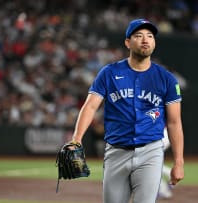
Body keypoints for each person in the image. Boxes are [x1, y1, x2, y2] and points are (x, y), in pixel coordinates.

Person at [69, 18, 185, 203]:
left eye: (150, 36)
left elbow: (174, 122)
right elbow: (90, 106)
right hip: (116, 151)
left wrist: (178, 162)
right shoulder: (109, 73)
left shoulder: (167, 79)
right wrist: (77, 138)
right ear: (127, 42)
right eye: (138, 36)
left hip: (151, 152)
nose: (145, 40)